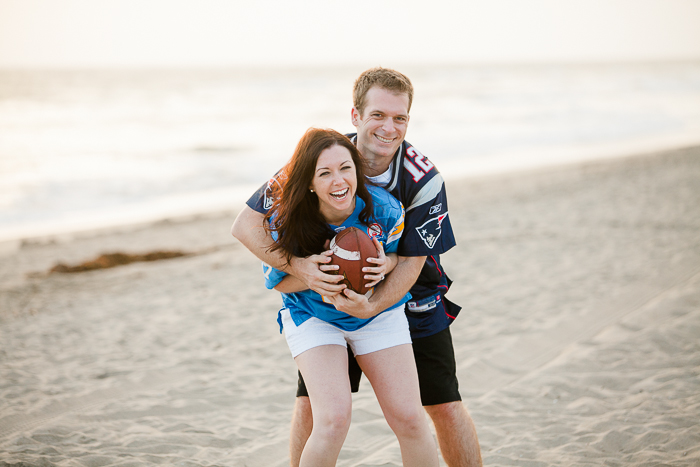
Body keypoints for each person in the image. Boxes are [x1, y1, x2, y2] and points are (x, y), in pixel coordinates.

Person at [232, 67, 482, 467]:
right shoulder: (321, 159)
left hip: (411, 295)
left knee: (440, 406)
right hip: (320, 299)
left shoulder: (422, 181)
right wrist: (301, 268)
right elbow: (246, 225)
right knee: (317, 410)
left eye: (399, 117)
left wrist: (375, 302)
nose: (389, 127)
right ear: (356, 117)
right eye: (378, 115)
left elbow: (413, 260)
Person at [259, 128, 438, 467]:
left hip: (378, 315)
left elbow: (404, 257)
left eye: (345, 168)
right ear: (309, 182)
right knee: (332, 421)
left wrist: (385, 264)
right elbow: (278, 283)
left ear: (357, 169)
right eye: (324, 173)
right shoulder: (288, 219)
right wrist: (320, 277)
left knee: (411, 420)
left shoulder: (384, 209)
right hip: (315, 317)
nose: (338, 180)